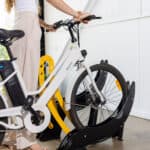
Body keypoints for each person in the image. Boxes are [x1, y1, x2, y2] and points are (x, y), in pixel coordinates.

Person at [4, 0, 90, 150]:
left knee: (18, 85)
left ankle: (11, 136)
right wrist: (77, 14)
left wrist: (45, 25)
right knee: (27, 85)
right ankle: (25, 140)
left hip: (25, 25)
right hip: (28, 30)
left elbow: (27, 11)